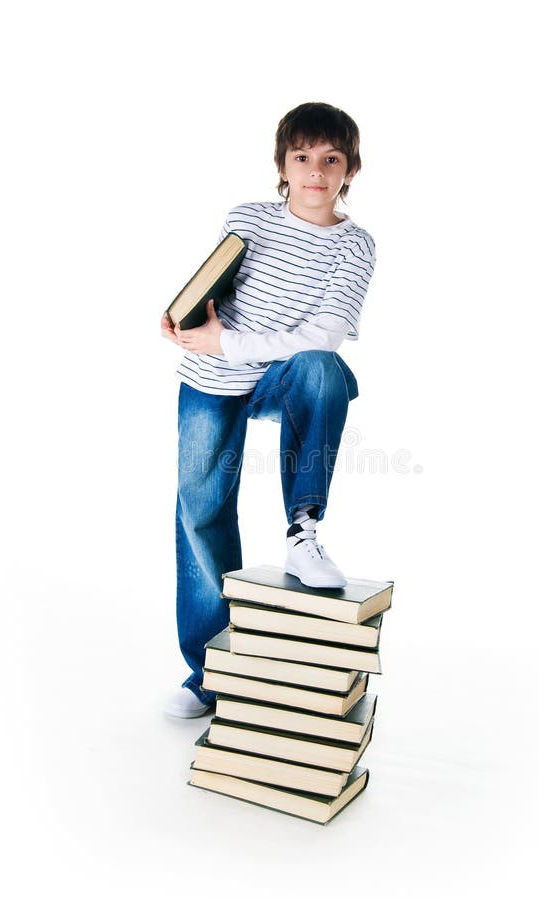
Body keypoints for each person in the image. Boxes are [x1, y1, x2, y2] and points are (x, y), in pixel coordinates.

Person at [161, 101, 376, 717]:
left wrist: (228, 340)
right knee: (200, 510)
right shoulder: (246, 218)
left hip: (279, 377)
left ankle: (303, 530)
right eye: (302, 157)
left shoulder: (354, 248)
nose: (315, 171)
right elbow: (213, 285)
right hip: (210, 373)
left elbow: (324, 337)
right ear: (282, 164)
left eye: (330, 159)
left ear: (350, 170)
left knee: (324, 369)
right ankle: (208, 672)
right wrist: (181, 315)